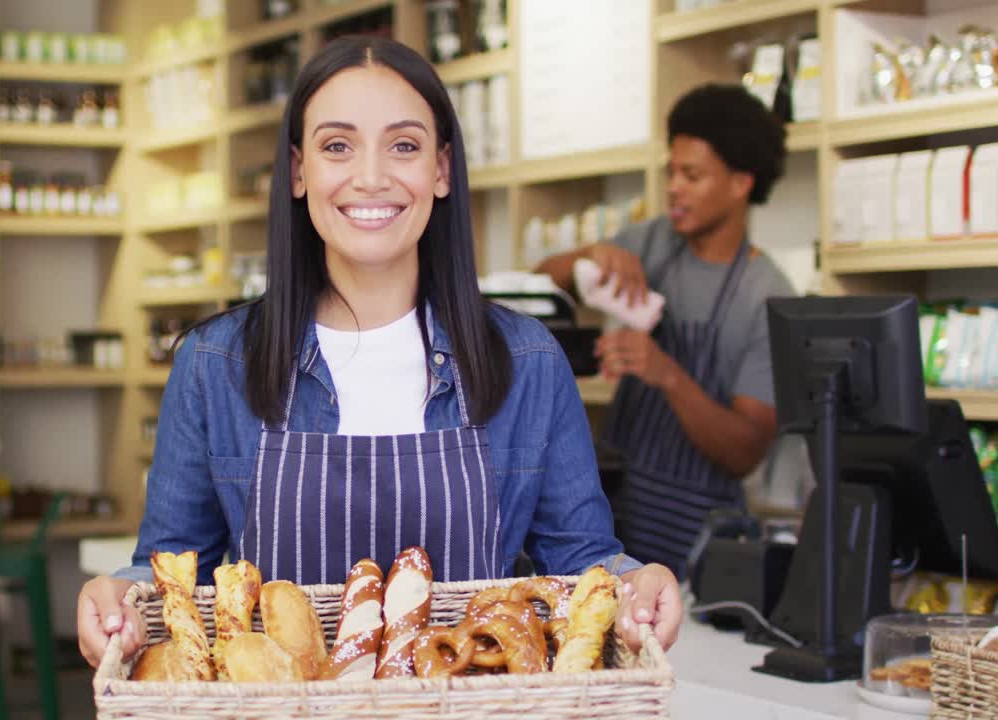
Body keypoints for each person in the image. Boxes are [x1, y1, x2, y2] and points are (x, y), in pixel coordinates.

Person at [77, 36, 682, 669]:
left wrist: (636, 583)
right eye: (337, 146)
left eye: (404, 146)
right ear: (298, 170)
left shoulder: (528, 360)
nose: (371, 176)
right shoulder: (215, 364)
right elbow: (170, 577)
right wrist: (120, 596)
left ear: (441, 170)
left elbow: (584, 568)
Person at [536, 84, 795, 581]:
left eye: (691, 175)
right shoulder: (652, 243)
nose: (674, 186)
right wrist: (587, 256)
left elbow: (744, 451)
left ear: (742, 182)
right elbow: (537, 281)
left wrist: (665, 373)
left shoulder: (766, 296)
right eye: (672, 171)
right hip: (620, 504)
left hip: (700, 535)